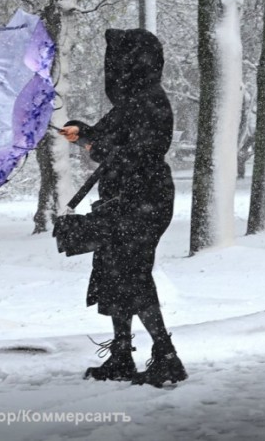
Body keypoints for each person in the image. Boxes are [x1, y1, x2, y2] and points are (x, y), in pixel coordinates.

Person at [59, 28, 186, 387]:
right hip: (124, 199)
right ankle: (121, 355)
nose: (112, 69)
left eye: (117, 61)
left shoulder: (150, 101)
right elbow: (102, 140)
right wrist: (79, 134)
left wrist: (95, 147)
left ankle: (166, 356)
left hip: (144, 198)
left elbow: (134, 153)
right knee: (113, 272)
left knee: (133, 274)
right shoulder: (131, 104)